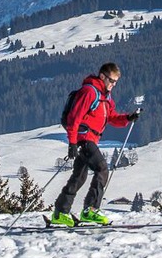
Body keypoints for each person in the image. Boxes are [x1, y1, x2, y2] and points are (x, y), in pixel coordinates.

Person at [50, 62, 139, 226]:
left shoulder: (105, 96)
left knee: (79, 177)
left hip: (90, 138)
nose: (113, 85)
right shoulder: (89, 92)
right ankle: (90, 210)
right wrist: (72, 143)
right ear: (102, 76)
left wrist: (127, 118)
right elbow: (74, 119)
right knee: (102, 168)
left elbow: (112, 117)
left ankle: (60, 213)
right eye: (111, 81)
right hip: (84, 138)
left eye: (116, 82)